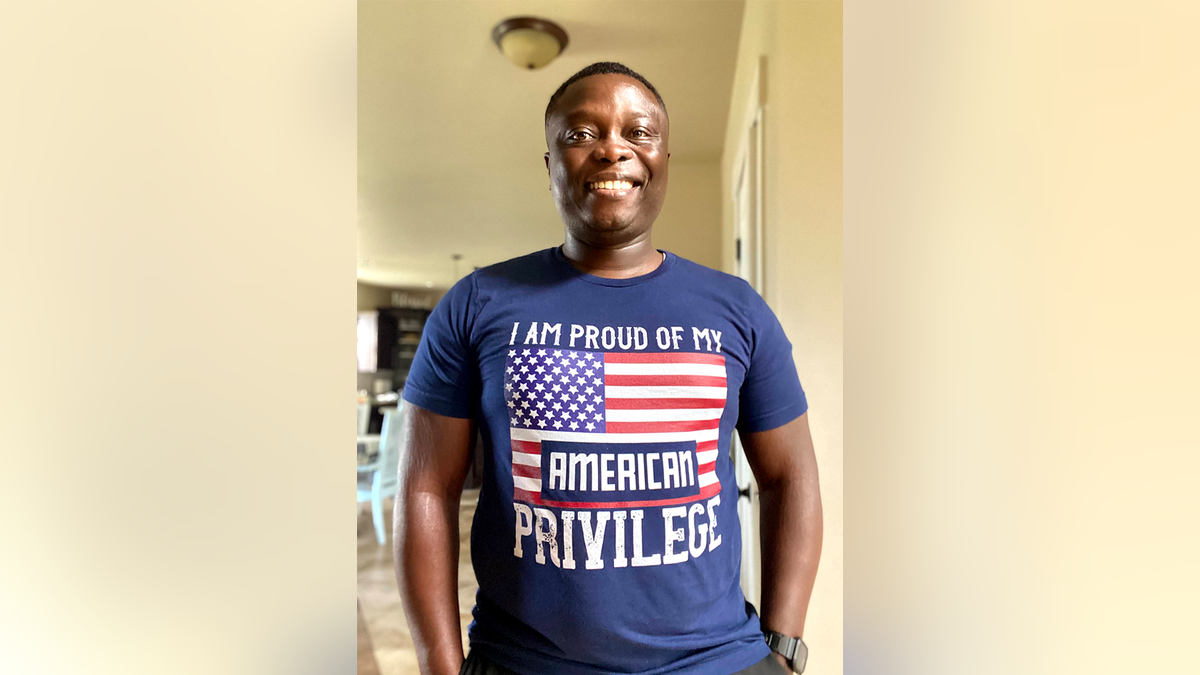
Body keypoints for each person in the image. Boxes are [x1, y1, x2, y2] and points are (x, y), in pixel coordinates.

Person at [395, 62, 822, 675]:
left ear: (664, 159)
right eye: (579, 135)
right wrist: (440, 665)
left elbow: (791, 477)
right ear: (550, 165)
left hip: (718, 661)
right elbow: (425, 489)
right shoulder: (476, 303)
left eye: (638, 132)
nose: (612, 149)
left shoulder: (738, 311)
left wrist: (784, 650)